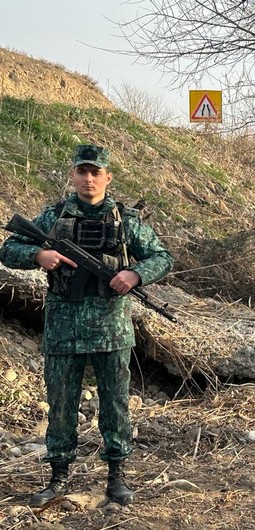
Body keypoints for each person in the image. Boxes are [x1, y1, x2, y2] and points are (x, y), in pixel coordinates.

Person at [0, 144, 174, 507]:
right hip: (63, 330)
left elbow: (162, 257)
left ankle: (117, 476)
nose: (88, 179)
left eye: (96, 172)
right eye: (82, 171)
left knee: (116, 405)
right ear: (74, 175)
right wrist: (38, 255)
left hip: (112, 330)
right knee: (61, 405)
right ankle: (58, 476)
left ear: (108, 177)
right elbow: (8, 248)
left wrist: (135, 274)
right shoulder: (54, 215)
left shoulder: (126, 221)